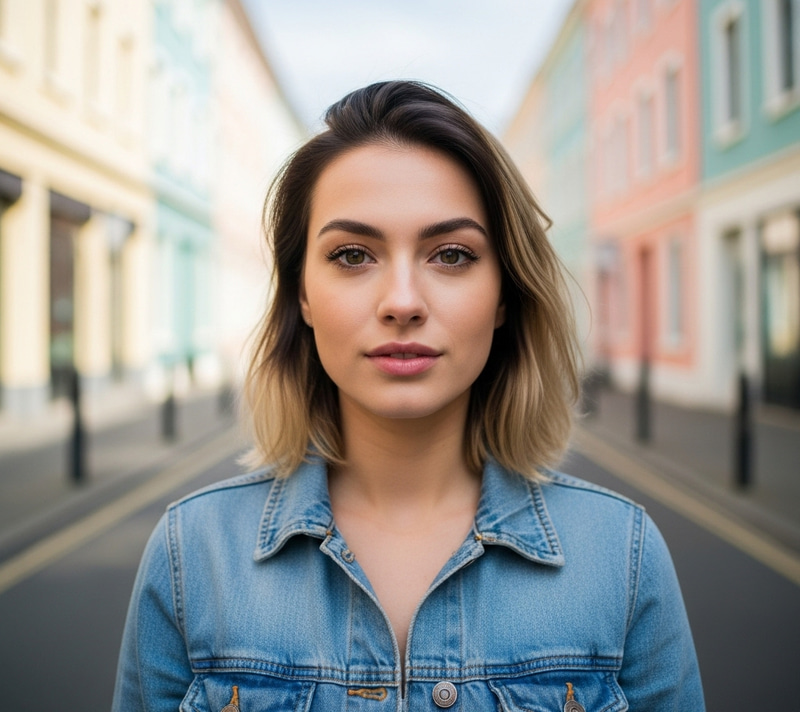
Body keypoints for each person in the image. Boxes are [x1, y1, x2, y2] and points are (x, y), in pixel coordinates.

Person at [112, 80, 704, 711]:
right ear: (302, 295)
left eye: (451, 255)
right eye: (351, 255)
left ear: (505, 292)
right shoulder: (191, 556)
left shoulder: (622, 555)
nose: (402, 302)